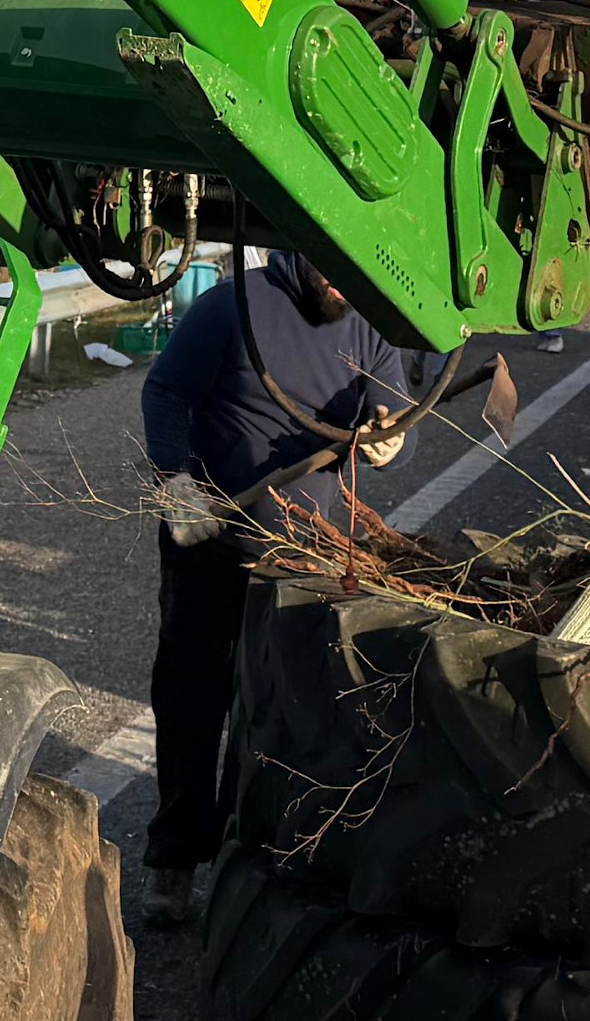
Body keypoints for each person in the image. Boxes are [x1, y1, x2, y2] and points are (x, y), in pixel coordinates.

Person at [132, 247, 444, 927]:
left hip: (303, 558)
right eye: (327, 265)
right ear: (296, 251)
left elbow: (396, 420)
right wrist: (175, 481)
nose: (339, 281)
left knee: (275, 710)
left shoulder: (366, 325)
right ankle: (175, 859)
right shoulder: (230, 308)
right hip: (208, 542)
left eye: (347, 266)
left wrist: (392, 442)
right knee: (191, 702)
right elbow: (166, 391)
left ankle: (252, 860)